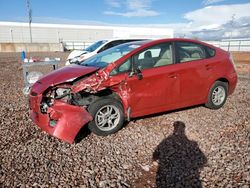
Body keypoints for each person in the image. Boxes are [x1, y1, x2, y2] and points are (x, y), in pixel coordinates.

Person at [153, 121, 207, 187]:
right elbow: (203, 160)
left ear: (174, 128)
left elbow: (155, 156)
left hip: (168, 178)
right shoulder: (192, 144)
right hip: (188, 178)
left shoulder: (167, 140)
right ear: (184, 129)